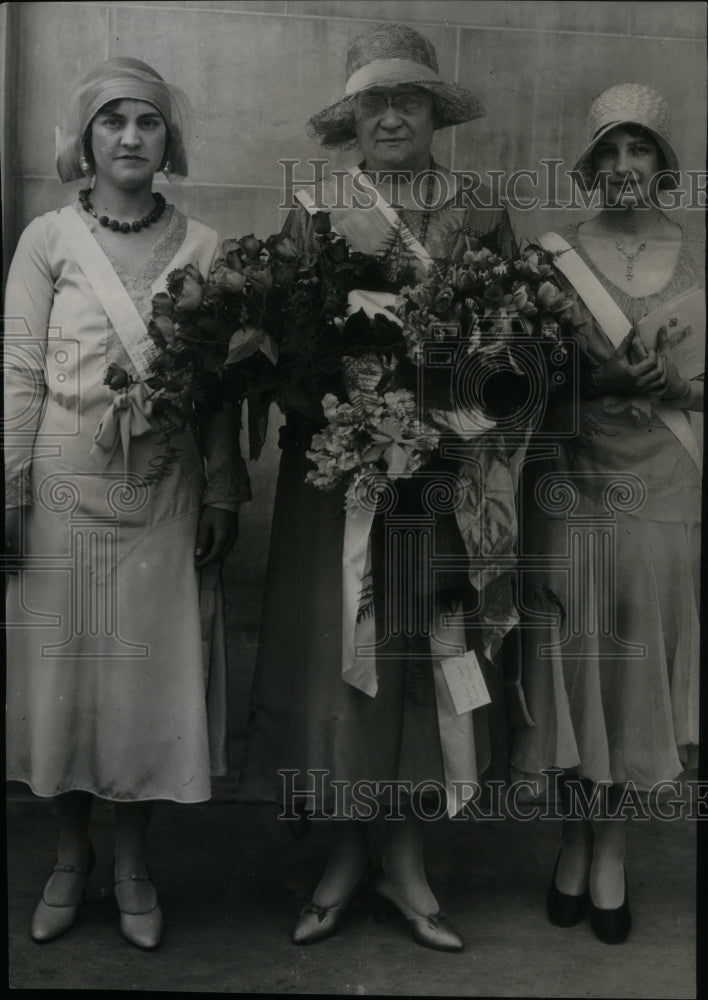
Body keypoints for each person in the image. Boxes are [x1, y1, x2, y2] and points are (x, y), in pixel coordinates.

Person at [238, 23, 519, 951]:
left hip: (438, 476)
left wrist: (454, 418)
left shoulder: (478, 214)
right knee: (339, 659)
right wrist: (346, 419)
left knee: (416, 659)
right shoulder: (314, 212)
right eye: (373, 101)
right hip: (340, 479)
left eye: (409, 99)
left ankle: (405, 864)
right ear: (350, 117)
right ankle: (346, 855)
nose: (391, 114)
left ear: (437, 111)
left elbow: (515, 354)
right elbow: (282, 350)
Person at [4, 57, 250, 950]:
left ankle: (134, 862)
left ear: (168, 138)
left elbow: (221, 386)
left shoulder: (207, 247)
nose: (132, 138)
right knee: (65, 673)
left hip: (165, 485)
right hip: (64, 481)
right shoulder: (48, 239)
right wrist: (9, 483)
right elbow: (20, 369)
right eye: (114, 122)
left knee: (146, 679)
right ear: (88, 139)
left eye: (147, 122)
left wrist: (224, 483)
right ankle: (70, 856)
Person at [511, 84, 703, 944]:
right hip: (573, 476)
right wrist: (596, 380)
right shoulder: (551, 259)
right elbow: (520, 387)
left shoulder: (701, 256)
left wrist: (678, 387)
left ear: (665, 162)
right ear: (590, 166)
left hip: (663, 480)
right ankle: (572, 838)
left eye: (642, 148)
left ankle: (611, 845)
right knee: (573, 656)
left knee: (634, 666)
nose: (626, 166)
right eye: (610, 151)